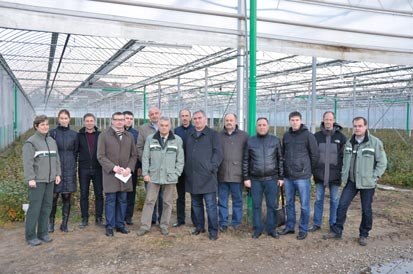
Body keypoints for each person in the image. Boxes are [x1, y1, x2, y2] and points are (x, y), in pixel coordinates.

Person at [323, 116, 387, 246]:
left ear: (365, 126)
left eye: (360, 126)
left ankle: (364, 234)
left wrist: (374, 176)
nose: (357, 128)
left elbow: (382, 162)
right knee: (342, 205)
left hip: (367, 183)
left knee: (366, 209)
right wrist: (343, 176)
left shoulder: (375, 143)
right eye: (355, 126)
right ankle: (337, 230)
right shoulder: (349, 143)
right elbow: (345, 161)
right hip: (351, 181)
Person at [137, 117, 184, 236]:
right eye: (161, 125)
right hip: (153, 176)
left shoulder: (177, 140)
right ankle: (144, 226)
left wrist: (176, 173)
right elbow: (145, 157)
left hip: (170, 176)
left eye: (166, 125)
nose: (164, 127)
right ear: (158, 125)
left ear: (170, 126)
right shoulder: (150, 139)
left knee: (167, 202)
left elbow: (180, 160)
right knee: (149, 201)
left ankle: (164, 225)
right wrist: (145, 173)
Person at [279, 111, 319, 240]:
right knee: (289, 202)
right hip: (289, 176)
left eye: (297, 120)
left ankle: (303, 229)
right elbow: (283, 154)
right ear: (289, 121)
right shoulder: (286, 136)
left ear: (301, 121)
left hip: (302, 176)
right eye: (292, 120)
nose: (294, 122)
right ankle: (290, 227)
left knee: (304, 204)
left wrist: (308, 170)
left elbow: (315, 155)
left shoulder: (308, 136)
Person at [23, 115, 61, 246]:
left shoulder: (51, 141)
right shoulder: (31, 142)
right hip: (37, 181)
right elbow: (28, 163)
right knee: (35, 208)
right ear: (36, 126)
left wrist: (57, 174)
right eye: (42, 124)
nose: (45, 127)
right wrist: (30, 178)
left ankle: (43, 233)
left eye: (46, 124)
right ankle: (30, 235)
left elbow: (56, 159)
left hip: (50, 180)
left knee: (47, 207)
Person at [97, 112, 138, 236]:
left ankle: (120, 224)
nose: (120, 122)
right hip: (111, 174)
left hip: (124, 175)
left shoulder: (129, 136)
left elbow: (134, 155)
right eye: (117, 119)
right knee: (110, 200)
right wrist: (113, 167)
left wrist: (129, 169)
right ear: (112, 121)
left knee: (123, 200)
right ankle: (110, 226)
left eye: (122, 120)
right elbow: (100, 156)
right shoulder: (104, 135)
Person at [185, 110, 223, 241]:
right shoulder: (189, 135)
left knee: (211, 206)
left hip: (208, 177)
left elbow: (218, 153)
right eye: (195, 118)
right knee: (196, 204)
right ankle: (199, 226)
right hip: (192, 176)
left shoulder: (213, 134)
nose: (197, 120)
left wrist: (212, 167)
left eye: (199, 118)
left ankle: (213, 231)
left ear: (205, 119)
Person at [243, 117, 283, 239]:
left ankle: (271, 229)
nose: (261, 127)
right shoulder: (250, 141)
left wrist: (281, 177)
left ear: (268, 126)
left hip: (272, 179)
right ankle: (257, 229)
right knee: (256, 205)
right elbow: (246, 160)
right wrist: (246, 177)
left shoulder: (275, 140)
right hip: (255, 180)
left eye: (264, 125)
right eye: (259, 125)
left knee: (272, 205)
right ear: (256, 127)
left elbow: (280, 159)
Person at [309, 111, 346, 232]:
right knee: (319, 199)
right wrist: (314, 170)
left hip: (334, 175)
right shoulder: (316, 136)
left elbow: (344, 157)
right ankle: (316, 223)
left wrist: (341, 172)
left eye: (330, 119)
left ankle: (333, 223)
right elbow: (313, 155)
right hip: (319, 174)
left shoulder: (341, 137)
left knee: (334, 200)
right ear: (323, 120)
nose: (328, 122)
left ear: (334, 120)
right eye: (326, 119)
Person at [48, 109, 78, 233]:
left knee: (67, 196)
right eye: (61, 118)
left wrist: (72, 163)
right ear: (58, 119)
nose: (64, 120)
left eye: (66, 118)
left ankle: (64, 224)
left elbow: (75, 151)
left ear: (69, 119)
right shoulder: (52, 133)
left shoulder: (74, 134)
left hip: (69, 168)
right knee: (53, 196)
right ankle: (51, 223)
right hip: (56, 167)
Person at [218, 113, 248, 232]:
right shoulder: (218, 136)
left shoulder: (244, 136)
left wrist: (246, 175)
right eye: (227, 120)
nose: (229, 122)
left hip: (237, 174)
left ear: (236, 121)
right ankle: (223, 222)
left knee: (237, 200)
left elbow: (247, 155)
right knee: (222, 200)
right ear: (224, 122)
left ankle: (236, 222)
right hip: (222, 174)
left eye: (231, 120)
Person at [137, 106, 163, 224]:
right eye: (152, 114)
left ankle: (162, 218)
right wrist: (147, 163)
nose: (154, 115)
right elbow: (139, 147)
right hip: (150, 168)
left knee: (163, 195)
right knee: (150, 196)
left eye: (156, 113)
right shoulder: (143, 129)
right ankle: (152, 219)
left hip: (164, 168)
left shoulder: (166, 126)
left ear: (160, 114)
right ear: (149, 116)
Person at [77, 113, 104, 228]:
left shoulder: (100, 135)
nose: (89, 123)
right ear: (84, 122)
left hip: (98, 168)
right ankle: (84, 218)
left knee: (99, 194)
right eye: (87, 121)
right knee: (84, 194)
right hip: (84, 169)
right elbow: (75, 151)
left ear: (94, 122)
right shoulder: (79, 135)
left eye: (91, 120)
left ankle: (98, 218)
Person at [173, 109, 194, 227]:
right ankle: (180, 220)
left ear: (190, 118)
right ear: (180, 118)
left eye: (187, 116)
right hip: (180, 167)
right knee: (180, 195)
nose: (185, 118)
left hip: (191, 168)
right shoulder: (176, 131)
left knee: (193, 195)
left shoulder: (194, 130)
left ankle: (195, 219)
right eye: (182, 116)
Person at [123, 110, 141, 225]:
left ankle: (128, 216)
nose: (128, 120)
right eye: (126, 118)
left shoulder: (135, 133)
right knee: (120, 192)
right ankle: (119, 214)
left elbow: (137, 151)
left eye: (130, 118)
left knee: (131, 191)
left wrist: (138, 166)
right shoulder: (116, 132)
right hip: (119, 168)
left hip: (131, 167)